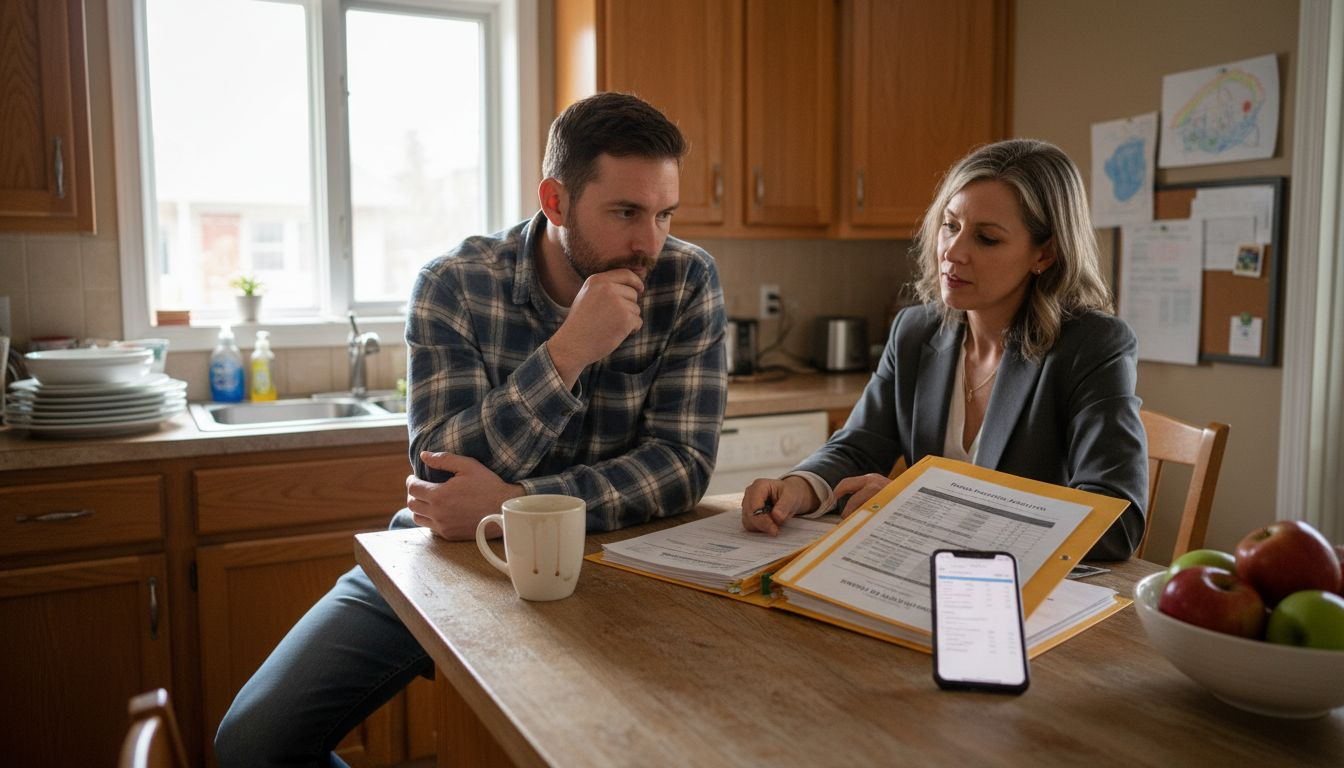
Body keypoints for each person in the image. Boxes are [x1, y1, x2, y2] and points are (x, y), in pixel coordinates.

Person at [215, 92, 728, 767]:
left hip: (615, 565)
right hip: (442, 560)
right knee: (254, 742)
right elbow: (440, 478)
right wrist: (567, 354)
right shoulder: (454, 285)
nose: (649, 244)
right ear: (555, 200)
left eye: (664, 215)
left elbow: (683, 464)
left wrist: (518, 504)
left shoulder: (688, 281)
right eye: (626, 213)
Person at [741, 138, 1146, 561]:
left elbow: (1117, 524)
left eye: (986, 238)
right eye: (950, 225)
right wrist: (799, 488)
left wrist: (915, 506)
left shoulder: (1093, 345)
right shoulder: (915, 331)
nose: (952, 252)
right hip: (918, 576)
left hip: (1023, 601)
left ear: (1044, 254)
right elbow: (858, 446)